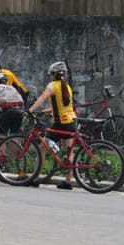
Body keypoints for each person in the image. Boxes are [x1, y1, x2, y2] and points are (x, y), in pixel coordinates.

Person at [27, 60, 78, 189]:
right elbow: (64, 106)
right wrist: (46, 111)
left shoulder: (53, 85)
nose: (50, 76)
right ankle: (68, 182)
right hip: (71, 122)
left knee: (41, 149)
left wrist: (31, 110)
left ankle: (34, 178)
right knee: (69, 152)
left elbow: (43, 97)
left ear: (54, 74)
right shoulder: (67, 86)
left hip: (59, 124)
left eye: (50, 74)